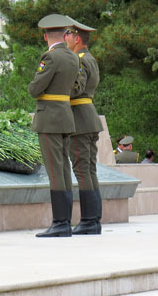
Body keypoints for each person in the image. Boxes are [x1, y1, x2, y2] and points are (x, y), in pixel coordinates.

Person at [28, 14, 80, 238]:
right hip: (65, 116)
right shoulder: (73, 57)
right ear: (64, 35)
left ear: (45, 36)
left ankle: (60, 222)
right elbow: (77, 88)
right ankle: (65, 221)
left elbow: (35, 88)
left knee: (54, 171)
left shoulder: (50, 57)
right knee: (64, 170)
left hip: (50, 118)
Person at [66, 19, 103, 235]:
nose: (65, 39)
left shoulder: (79, 60)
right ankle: (94, 219)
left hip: (80, 119)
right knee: (89, 169)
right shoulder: (90, 58)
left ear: (77, 38)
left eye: (68, 35)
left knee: (82, 170)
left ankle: (89, 220)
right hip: (88, 116)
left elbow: (76, 89)